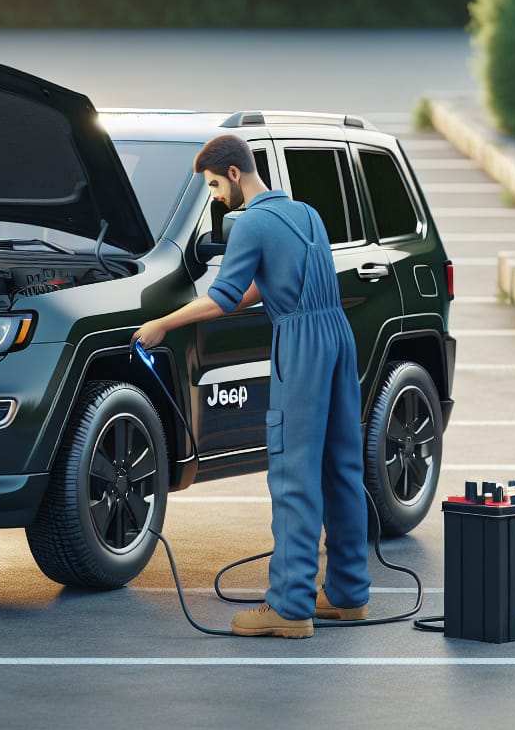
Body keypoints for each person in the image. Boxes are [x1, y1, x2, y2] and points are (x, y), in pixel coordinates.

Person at [131, 134, 370, 638]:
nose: (216, 196)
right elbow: (266, 284)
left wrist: (164, 324)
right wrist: (232, 295)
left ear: (235, 175)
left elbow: (220, 299)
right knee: (341, 467)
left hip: (301, 346)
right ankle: (349, 594)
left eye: (215, 185)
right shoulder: (306, 213)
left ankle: (289, 607)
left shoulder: (250, 224)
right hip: (337, 338)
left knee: (293, 476)